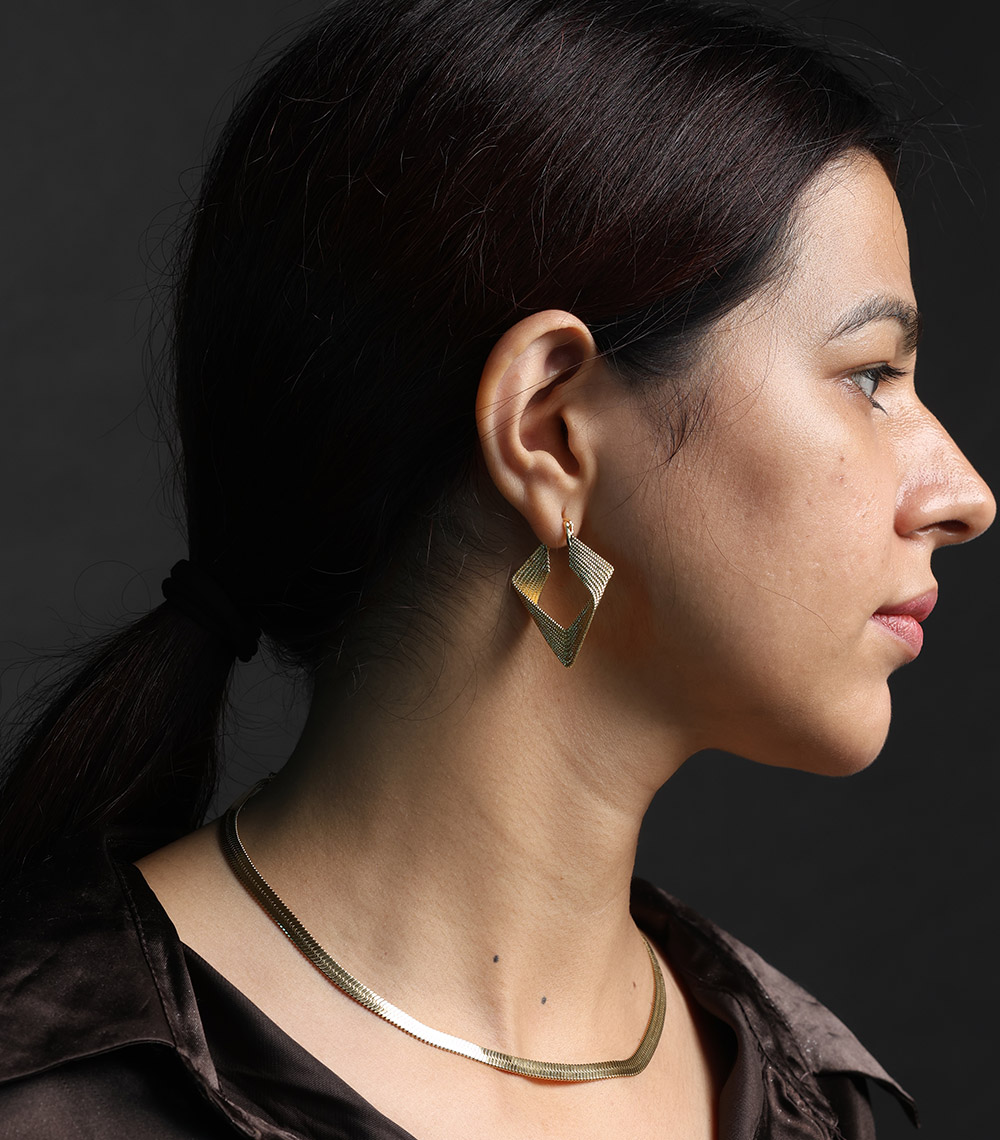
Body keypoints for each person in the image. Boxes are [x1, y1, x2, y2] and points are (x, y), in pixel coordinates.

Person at [0, 0, 993, 1136]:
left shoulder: (814, 1103)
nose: (964, 495)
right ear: (551, 431)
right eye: (870, 376)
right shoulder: (57, 1094)